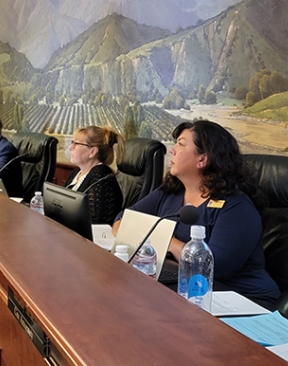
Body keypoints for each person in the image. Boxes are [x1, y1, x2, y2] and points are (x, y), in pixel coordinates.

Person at [113, 120, 279, 308]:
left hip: (238, 299)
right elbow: (122, 221)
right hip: (186, 287)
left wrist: (166, 240)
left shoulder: (237, 207)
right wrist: (166, 243)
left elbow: (214, 266)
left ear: (202, 159)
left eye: (181, 144)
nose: (172, 150)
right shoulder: (170, 191)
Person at [64, 126, 124, 224]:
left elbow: (94, 221)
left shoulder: (101, 177)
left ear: (92, 152)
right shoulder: (75, 173)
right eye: (72, 142)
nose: (70, 147)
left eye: (76, 143)